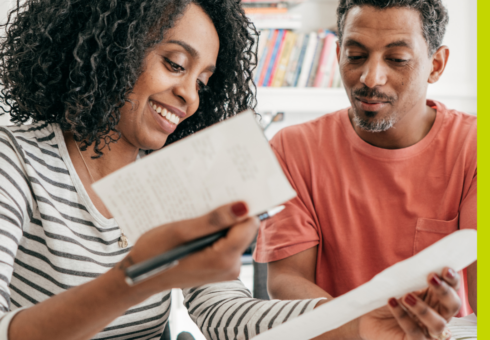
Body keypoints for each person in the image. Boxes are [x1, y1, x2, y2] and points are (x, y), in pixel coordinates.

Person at [0, 0, 465, 339]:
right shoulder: (15, 159)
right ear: (109, 47)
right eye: (174, 64)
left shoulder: (175, 177)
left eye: (203, 81)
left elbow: (224, 311)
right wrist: (138, 276)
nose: (190, 95)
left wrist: (353, 321)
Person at [254, 0, 477, 337]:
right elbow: (287, 280)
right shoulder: (291, 148)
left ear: (436, 64)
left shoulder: (476, 147)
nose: (370, 78)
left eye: (397, 59)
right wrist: (366, 331)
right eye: (356, 57)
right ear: (338, 52)